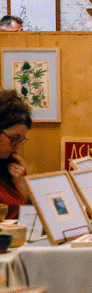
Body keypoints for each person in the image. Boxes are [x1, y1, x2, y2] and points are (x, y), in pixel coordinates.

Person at [0, 89, 32, 220]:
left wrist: (20, 183)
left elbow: (28, 214)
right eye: (14, 138)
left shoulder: (13, 164)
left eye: (21, 140)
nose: (17, 146)